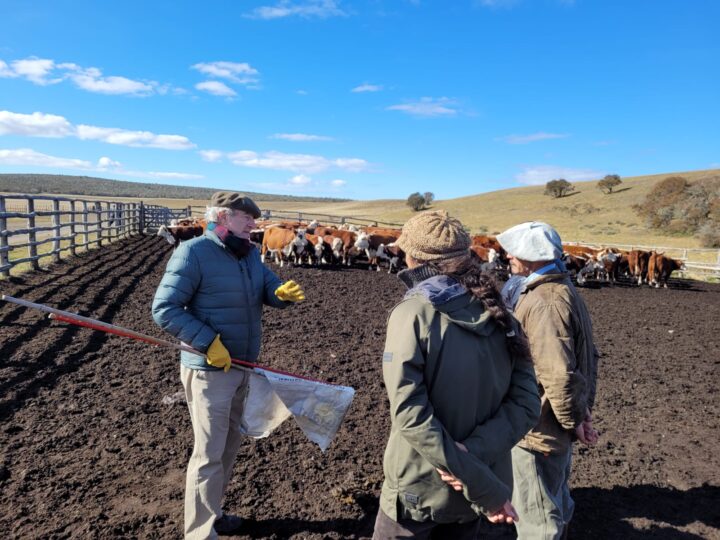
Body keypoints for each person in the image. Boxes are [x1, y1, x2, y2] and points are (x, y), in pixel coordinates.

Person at [373, 210, 541, 540]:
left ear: (413, 258)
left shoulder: (412, 314)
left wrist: (471, 477)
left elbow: (411, 416)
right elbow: (526, 405)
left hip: (420, 486)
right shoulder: (502, 315)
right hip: (482, 483)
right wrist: (475, 459)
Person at [152, 192, 305, 539]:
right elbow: (165, 309)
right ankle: (199, 533)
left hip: (242, 365)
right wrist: (207, 342)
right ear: (222, 218)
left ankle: (214, 512)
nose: (254, 223)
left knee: (228, 446)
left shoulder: (248, 253)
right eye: (245, 217)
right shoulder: (193, 253)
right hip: (209, 370)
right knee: (208, 452)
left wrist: (280, 294)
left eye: (254, 218)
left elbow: (267, 285)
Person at [496, 221, 600, 540]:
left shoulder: (544, 301)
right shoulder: (559, 290)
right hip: (552, 421)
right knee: (554, 498)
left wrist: (572, 421)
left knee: (538, 521)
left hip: (537, 426)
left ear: (532, 257)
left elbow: (556, 371)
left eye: (516, 251)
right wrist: (577, 415)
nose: (508, 255)